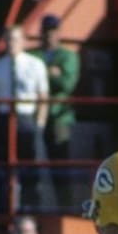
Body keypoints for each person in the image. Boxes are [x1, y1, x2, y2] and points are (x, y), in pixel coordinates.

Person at [0, 25, 50, 212]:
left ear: (24, 41)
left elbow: (43, 97)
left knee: (31, 166)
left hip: (27, 118)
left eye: (16, 39)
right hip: (4, 119)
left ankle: (31, 208)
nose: (12, 43)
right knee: (4, 166)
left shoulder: (35, 65)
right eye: (9, 39)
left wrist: (40, 124)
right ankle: (3, 207)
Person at [39, 15, 80, 203]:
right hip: (35, 116)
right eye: (47, 31)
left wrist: (47, 74)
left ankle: (66, 204)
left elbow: (67, 84)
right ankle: (34, 204)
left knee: (60, 163)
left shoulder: (68, 56)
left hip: (58, 118)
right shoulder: (34, 55)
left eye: (53, 31)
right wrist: (51, 72)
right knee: (31, 163)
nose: (50, 35)